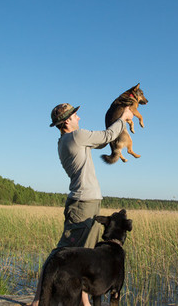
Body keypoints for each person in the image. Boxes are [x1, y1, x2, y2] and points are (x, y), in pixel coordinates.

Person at [31, 103, 134, 306]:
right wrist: (123, 118)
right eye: (75, 115)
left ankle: (84, 302)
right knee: (60, 253)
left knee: (84, 253)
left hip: (87, 201)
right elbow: (106, 136)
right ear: (67, 121)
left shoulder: (65, 140)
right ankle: (37, 300)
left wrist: (115, 126)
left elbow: (104, 141)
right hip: (83, 203)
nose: (79, 117)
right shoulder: (76, 137)